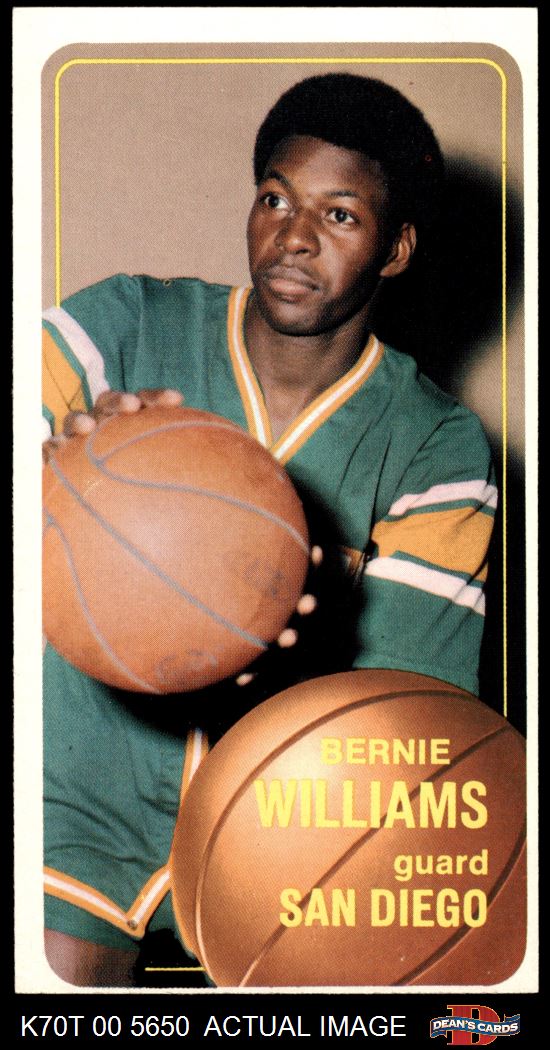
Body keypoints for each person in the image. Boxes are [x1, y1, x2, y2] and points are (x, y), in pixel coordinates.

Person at [41, 73, 497, 986]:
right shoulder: (119, 327)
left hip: (279, 841)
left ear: (396, 249)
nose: (293, 236)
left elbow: (408, 729)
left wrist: (292, 630)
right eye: (276, 199)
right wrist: (60, 474)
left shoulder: (436, 445)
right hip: (74, 808)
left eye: (340, 215)